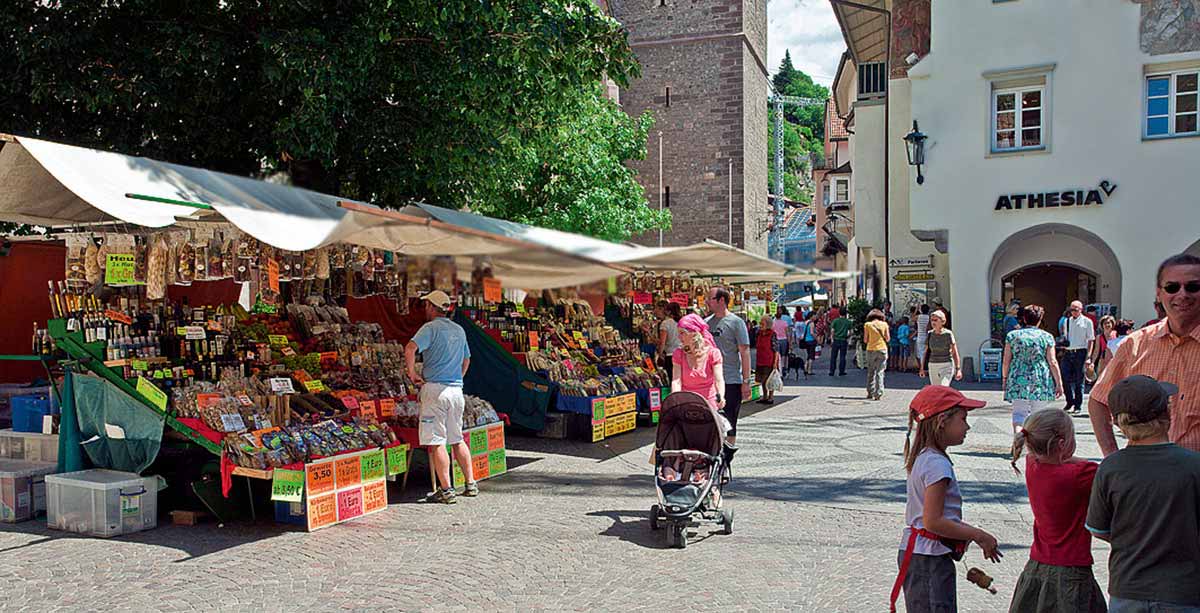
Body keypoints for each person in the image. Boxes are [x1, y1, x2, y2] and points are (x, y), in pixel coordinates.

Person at [1086, 375, 1200, 610]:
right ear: (1167, 414)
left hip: (1128, 588)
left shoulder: (1111, 468)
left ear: (1118, 423)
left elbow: (1099, 528)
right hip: (1184, 591)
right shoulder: (1194, 466)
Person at [890, 386, 1001, 613]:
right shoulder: (936, 464)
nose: (968, 427)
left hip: (925, 553)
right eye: (963, 419)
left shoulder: (926, 457)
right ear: (942, 421)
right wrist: (979, 535)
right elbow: (933, 521)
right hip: (928, 557)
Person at [1090, 253, 1200, 455]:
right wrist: (1112, 456)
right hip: (1147, 476)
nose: (1182, 294)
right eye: (1172, 287)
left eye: (1193, 287)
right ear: (1159, 293)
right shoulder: (1136, 344)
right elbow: (1098, 400)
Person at [1008, 409, 1105, 613]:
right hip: (1072, 570)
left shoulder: (1031, 464)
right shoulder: (1082, 475)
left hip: (1037, 566)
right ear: (1061, 444)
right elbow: (1101, 470)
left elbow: (1051, 457)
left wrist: (1061, 455)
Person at [405, 290, 474, 504]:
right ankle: (470, 483)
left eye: (426, 305)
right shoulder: (459, 330)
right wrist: (457, 378)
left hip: (435, 389)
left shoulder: (430, 328)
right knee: (457, 438)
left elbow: (410, 348)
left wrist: (412, 373)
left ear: (431, 307)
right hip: (456, 391)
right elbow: (466, 360)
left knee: (436, 441)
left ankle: (446, 489)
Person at [1003, 305, 1063, 433]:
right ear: (1040, 318)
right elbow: (1052, 361)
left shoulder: (1012, 336)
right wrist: (1059, 383)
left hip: (1017, 376)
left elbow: (1006, 360)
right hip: (1040, 377)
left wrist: (1005, 378)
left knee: (1019, 414)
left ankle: (1018, 439)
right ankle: (1034, 447)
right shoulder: (1047, 337)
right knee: (1039, 415)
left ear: (1024, 318)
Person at [705, 287, 751, 452]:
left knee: (729, 424)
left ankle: (726, 459)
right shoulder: (706, 323)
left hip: (730, 380)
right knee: (711, 423)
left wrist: (746, 382)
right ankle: (713, 458)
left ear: (721, 300)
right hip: (709, 381)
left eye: (710, 298)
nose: (706, 301)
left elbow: (745, 353)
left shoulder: (736, 322)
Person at [671, 313, 726, 411]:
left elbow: (719, 379)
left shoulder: (713, 353)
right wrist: (675, 399)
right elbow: (676, 381)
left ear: (694, 333)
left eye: (682, 333)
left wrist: (720, 395)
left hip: (709, 405)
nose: (679, 337)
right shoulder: (678, 354)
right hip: (687, 405)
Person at [1061, 300, 1096, 415]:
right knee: (1065, 378)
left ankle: (1077, 405)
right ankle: (1069, 401)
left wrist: (1089, 356)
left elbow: (1091, 340)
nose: (1073, 312)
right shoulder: (1066, 321)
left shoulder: (1087, 322)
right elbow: (1065, 337)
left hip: (1080, 352)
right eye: (1071, 309)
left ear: (1081, 310)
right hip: (1068, 351)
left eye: (1076, 310)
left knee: (1079, 380)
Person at [920, 310, 962, 387]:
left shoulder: (948, 334)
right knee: (936, 389)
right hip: (933, 364)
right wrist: (922, 368)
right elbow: (926, 352)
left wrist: (958, 369)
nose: (933, 322)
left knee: (944, 386)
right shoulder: (930, 334)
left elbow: (955, 352)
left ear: (943, 321)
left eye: (935, 320)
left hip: (946, 364)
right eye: (932, 320)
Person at [864, 309, 890, 400]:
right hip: (882, 349)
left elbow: (865, 340)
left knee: (871, 372)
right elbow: (887, 339)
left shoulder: (867, 325)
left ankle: (870, 392)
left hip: (871, 350)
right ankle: (879, 393)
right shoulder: (885, 324)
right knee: (880, 371)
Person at [754, 316, 781, 405]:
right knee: (762, 380)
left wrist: (775, 362)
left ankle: (770, 397)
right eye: (760, 323)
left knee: (769, 380)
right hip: (760, 360)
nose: (760, 325)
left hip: (769, 361)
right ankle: (765, 396)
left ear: (768, 324)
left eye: (762, 324)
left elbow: (776, 350)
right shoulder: (759, 333)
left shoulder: (772, 334)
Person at [656, 301, 682, 382]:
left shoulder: (666, 323)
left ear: (669, 311)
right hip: (682, 353)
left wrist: (660, 354)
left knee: (672, 379)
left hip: (670, 355)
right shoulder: (682, 322)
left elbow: (662, 342)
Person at [828, 309, 852, 377]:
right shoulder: (848, 322)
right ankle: (841, 371)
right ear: (845, 314)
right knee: (842, 356)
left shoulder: (835, 321)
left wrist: (832, 339)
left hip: (836, 339)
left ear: (839, 313)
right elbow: (850, 332)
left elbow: (832, 331)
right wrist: (847, 337)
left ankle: (832, 371)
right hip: (843, 340)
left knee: (833, 356)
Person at [1092, 314, 1116, 379]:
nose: (1107, 325)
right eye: (1104, 323)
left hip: (1114, 359)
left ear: (1112, 324)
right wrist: (1092, 362)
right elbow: (1096, 351)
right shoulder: (1099, 337)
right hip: (1103, 360)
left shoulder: (1116, 334)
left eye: (1108, 323)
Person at [915, 304, 931, 370]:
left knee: (920, 354)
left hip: (919, 337)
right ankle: (923, 367)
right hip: (926, 336)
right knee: (923, 353)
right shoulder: (929, 317)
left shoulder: (919, 317)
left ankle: (922, 368)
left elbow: (912, 317)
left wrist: (916, 309)